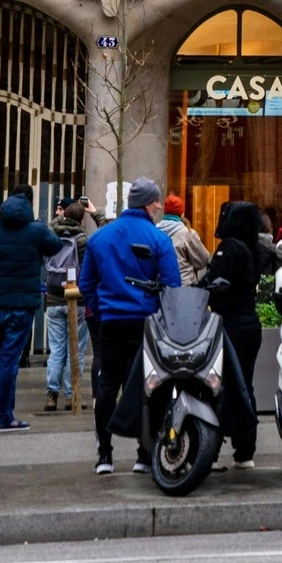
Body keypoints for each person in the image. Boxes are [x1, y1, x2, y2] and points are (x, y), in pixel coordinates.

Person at [80, 177, 180, 474]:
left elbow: (87, 284)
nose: (159, 207)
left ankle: (104, 455)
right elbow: (172, 286)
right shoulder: (159, 239)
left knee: (106, 388)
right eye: (157, 202)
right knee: (147, 387)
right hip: (145, 322)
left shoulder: (100, 237)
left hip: (110, 321)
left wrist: (100, 311)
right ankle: (143, 454)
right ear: (149, 204)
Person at [0, 190, 60, 432]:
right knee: (9, 361)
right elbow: (56, 246)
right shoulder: (36, 230)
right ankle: (3, 416)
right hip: (22, 305)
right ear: (30, 205)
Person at [204, 201, 263, 467]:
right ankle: (245, 452)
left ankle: (212, 452)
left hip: (229, 325)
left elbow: (212, 282)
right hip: (251, 323)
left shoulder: (229, 247)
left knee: (218, 387)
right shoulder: (254, 248)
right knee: (245, 386)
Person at [44, 200, 90, 412]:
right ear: (81, 219)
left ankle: (51, 395)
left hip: (53, 298)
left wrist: (59, 219)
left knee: (56, 349)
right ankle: (73, 395)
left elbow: (51, 225)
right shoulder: (82, 240)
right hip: (77, 300)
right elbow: (88, 270)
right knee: (76, 350)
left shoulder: (52, 235)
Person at [158, 195, 211, 286]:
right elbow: (203, 260)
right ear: (182, 213)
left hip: (160, 288)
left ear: (165, 211)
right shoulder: (187, 234)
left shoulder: (155, 231)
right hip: (184, 289)